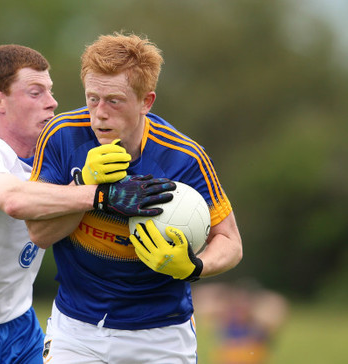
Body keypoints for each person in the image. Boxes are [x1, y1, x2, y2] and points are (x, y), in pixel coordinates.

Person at [0, 44, 175, 364]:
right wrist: (102, 195)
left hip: (20, 331)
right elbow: (14, 200)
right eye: (35, 92)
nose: (52, 102)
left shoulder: (52, 158)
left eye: (51, 91)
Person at [27, 32, 243, 364]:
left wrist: (194, 267)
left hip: (162, 335)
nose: (99, 114)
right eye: (92, 98)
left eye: (114, 100)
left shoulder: (184, 157)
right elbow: (38, 234)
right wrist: (90, 189)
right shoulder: (60, 136)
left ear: (146, 101)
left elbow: (229, 241)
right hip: (76, 329)